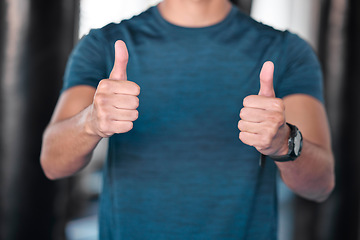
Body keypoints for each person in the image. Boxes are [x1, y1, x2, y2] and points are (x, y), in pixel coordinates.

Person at [40, 0, 335, 239]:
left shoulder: (287, 50)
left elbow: (321, 185)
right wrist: (90, 122)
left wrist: (284, 142)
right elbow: (52, 163)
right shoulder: (103, 44)